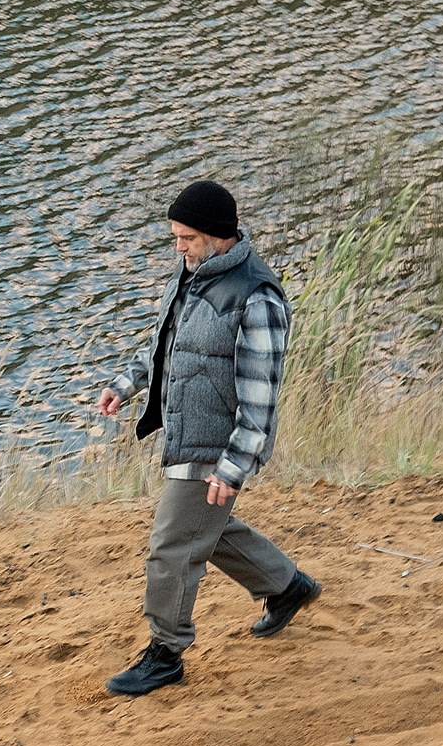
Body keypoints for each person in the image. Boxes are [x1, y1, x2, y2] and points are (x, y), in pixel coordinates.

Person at [95, 180, 320, 696]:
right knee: (205, 528)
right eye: (175, 236)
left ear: (219, 236)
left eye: (187, 237)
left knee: (171, 546)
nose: (178, 246)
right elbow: (164, 345)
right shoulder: (192, 273)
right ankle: (286, 586)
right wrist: (125, 385)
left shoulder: (257, 297)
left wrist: (233, 465)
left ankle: (165, 654)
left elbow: (261, 397)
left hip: (217, 445)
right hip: (183, 429)